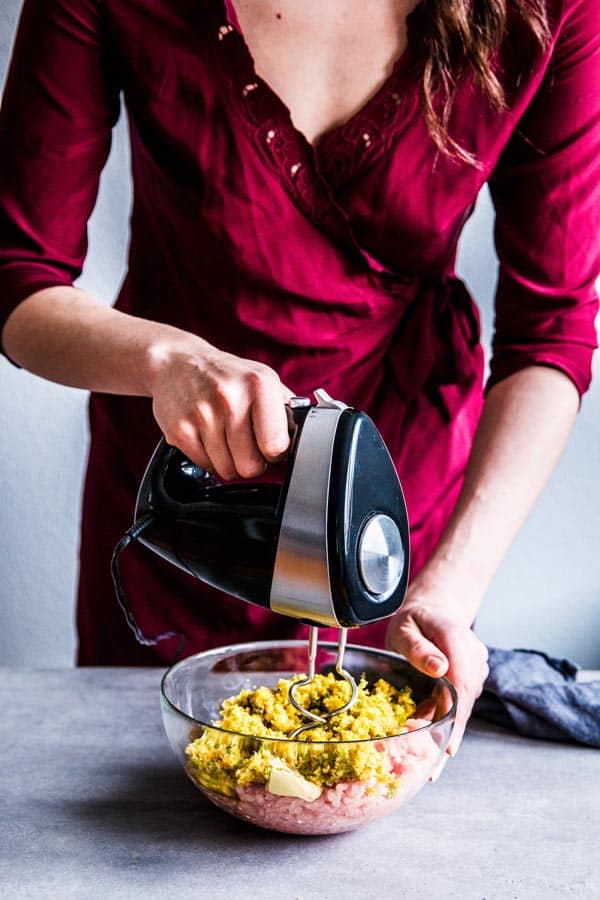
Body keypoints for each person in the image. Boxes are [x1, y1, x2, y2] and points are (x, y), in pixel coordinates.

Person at [0, 0, 598, 763]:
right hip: (186, 507)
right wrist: (167, 361)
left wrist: (450, 587)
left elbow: (553, 330)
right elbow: (19, 276)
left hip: (396, 523)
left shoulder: (552, 11)